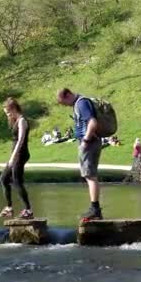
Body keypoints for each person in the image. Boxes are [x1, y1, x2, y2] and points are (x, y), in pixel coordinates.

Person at [57, 88, 103, 221]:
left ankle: (95, 209)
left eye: (64, 102)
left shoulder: (81, 103)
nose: (65, 106)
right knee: (89, 175)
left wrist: (85, 140)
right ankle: (94, 208)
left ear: (68, 95)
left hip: (89, 143)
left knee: (90, 176)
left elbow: (92, 122)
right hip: (90, 143)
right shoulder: (80, 103)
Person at [0, 98, 33, 219]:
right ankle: (9, 208)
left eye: (8, 112)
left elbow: (21, 140)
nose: (7, 115)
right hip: (16, 155)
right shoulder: (15, 120)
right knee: (3, 178)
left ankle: (28, 210)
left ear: (13, 109)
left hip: (20, 154)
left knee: (17, 181)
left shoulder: (22, 121)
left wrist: (13, 157)